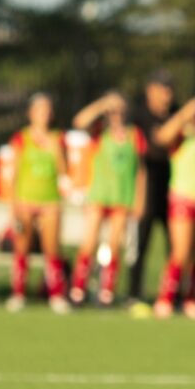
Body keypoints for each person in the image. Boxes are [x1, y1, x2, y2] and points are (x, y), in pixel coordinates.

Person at [70, 93, 145, 307]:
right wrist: (102, 104)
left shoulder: (134, 135)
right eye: (113, 112)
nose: (116, 115)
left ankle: (107, 291)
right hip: (99, 195)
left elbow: (140, 170)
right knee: (89, 242)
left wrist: (139, 199)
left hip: (122, 197)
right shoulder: (99, 132)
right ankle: (78, 288)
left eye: (120, 111)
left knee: (114, 245)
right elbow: (79, 121)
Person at [4, 93, 70, 314]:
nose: (45, 114)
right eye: (40, 110)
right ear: (31, 113)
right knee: (22, 247)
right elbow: (13, 174)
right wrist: (13, 206)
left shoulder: (57, 138)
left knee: (52, 249)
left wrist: (56, 151)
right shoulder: (21, 138)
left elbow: (63, 172)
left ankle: (56, 295)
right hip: (25, 199)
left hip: (49, 200)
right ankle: (19, 293)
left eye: (48, 110)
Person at [154, 94, 195, 319]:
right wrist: (185, 114)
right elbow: (163, 137)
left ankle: (191, 297)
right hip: (183, 198)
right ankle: (166, 297)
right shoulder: (181, 135)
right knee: (181, 251)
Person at [130, 73, 178, 302]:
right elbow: (158, 141)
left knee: (175, 246)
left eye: (170, 90)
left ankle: (172, 295)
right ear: (150, 90)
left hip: (172, 185)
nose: (167, 95)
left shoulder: (175, 111)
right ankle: (134, 294)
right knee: (141, 243)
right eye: (163, 89)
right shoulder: (140, 114)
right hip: (148, 183)